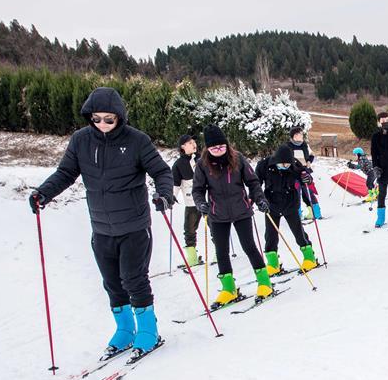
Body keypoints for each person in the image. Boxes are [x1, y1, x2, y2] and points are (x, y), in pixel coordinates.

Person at [29, 86, 174, 361]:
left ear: (119, 116)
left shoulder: (137, 141)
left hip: (134, 225)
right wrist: (43, 193)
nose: (103, 124)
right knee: (112, 282)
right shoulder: (81, 141)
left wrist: (164, 195)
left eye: (109, 119)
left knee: (134, 279)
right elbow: (66, 173)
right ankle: (125, 329)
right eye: (97, 119)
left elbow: (161, 171)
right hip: (101, 227)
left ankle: (148, 331)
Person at [192, 125, 273, 307]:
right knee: (221, 252)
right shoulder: (202, 164)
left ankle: (264, 283)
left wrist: (259, 199)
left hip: (241, 210)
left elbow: (252, 182)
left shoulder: (237, 158)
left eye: (221, 146)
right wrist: (201, 204)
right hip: (217, 213)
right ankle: (229, 289)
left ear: (226, 145)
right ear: (208, 148)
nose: (218, 150)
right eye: (214, 148)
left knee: (249, 246)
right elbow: (197, 190)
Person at [255, 145, 318, 275]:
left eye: (287, 164)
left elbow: (305, 177)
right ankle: (273, 263)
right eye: (282, 164)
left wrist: (307, 179)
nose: (285, 166)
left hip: (290, 203)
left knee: (298, 232)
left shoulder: (294, 164)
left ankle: (309, 257)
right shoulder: (264, 165)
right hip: (271, 204)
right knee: (270, 234)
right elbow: (255, 184)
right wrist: (258, 199)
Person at [172, 134, 203, 267]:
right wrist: (171, 197)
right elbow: (175, 184)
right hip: (191, 202)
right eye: (190, 142)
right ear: (182, 147)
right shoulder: (178, 164)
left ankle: (219, 255)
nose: (193, 144)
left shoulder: (202, 159)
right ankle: (192, 258)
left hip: (207, 199)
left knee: (215, 226)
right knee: (189, 229)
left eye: (194, 141)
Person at [286, 126, 322, 220]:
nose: (300, 136)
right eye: (298, 134)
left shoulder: (305, 145)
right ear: (293, 136)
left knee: (309, 192)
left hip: (305, 172)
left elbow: (311, 155)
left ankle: (316, 213)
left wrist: (309, 161)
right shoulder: (287, 146)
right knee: (296, 194)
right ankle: (297, 215)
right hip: (293, 174)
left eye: (301, 134)